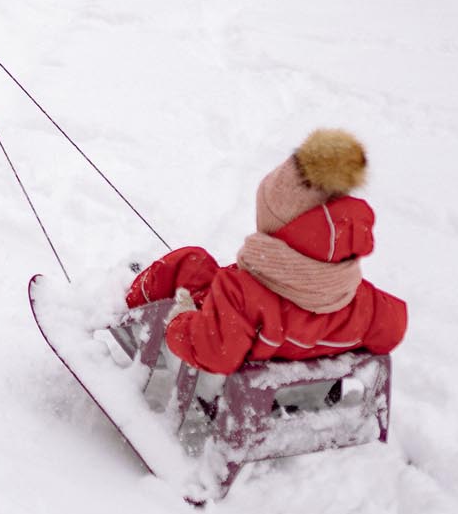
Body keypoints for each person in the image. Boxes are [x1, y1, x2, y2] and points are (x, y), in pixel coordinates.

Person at [124, 129, 408, 375]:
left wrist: (179, 319)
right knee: (200, 267)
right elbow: (394, 324)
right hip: (263, 338)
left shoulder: (240, 293)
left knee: (190, 261)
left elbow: (214, 352)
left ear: (279, 232)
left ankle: (127, 307)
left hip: (220, 326)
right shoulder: (360, 302)